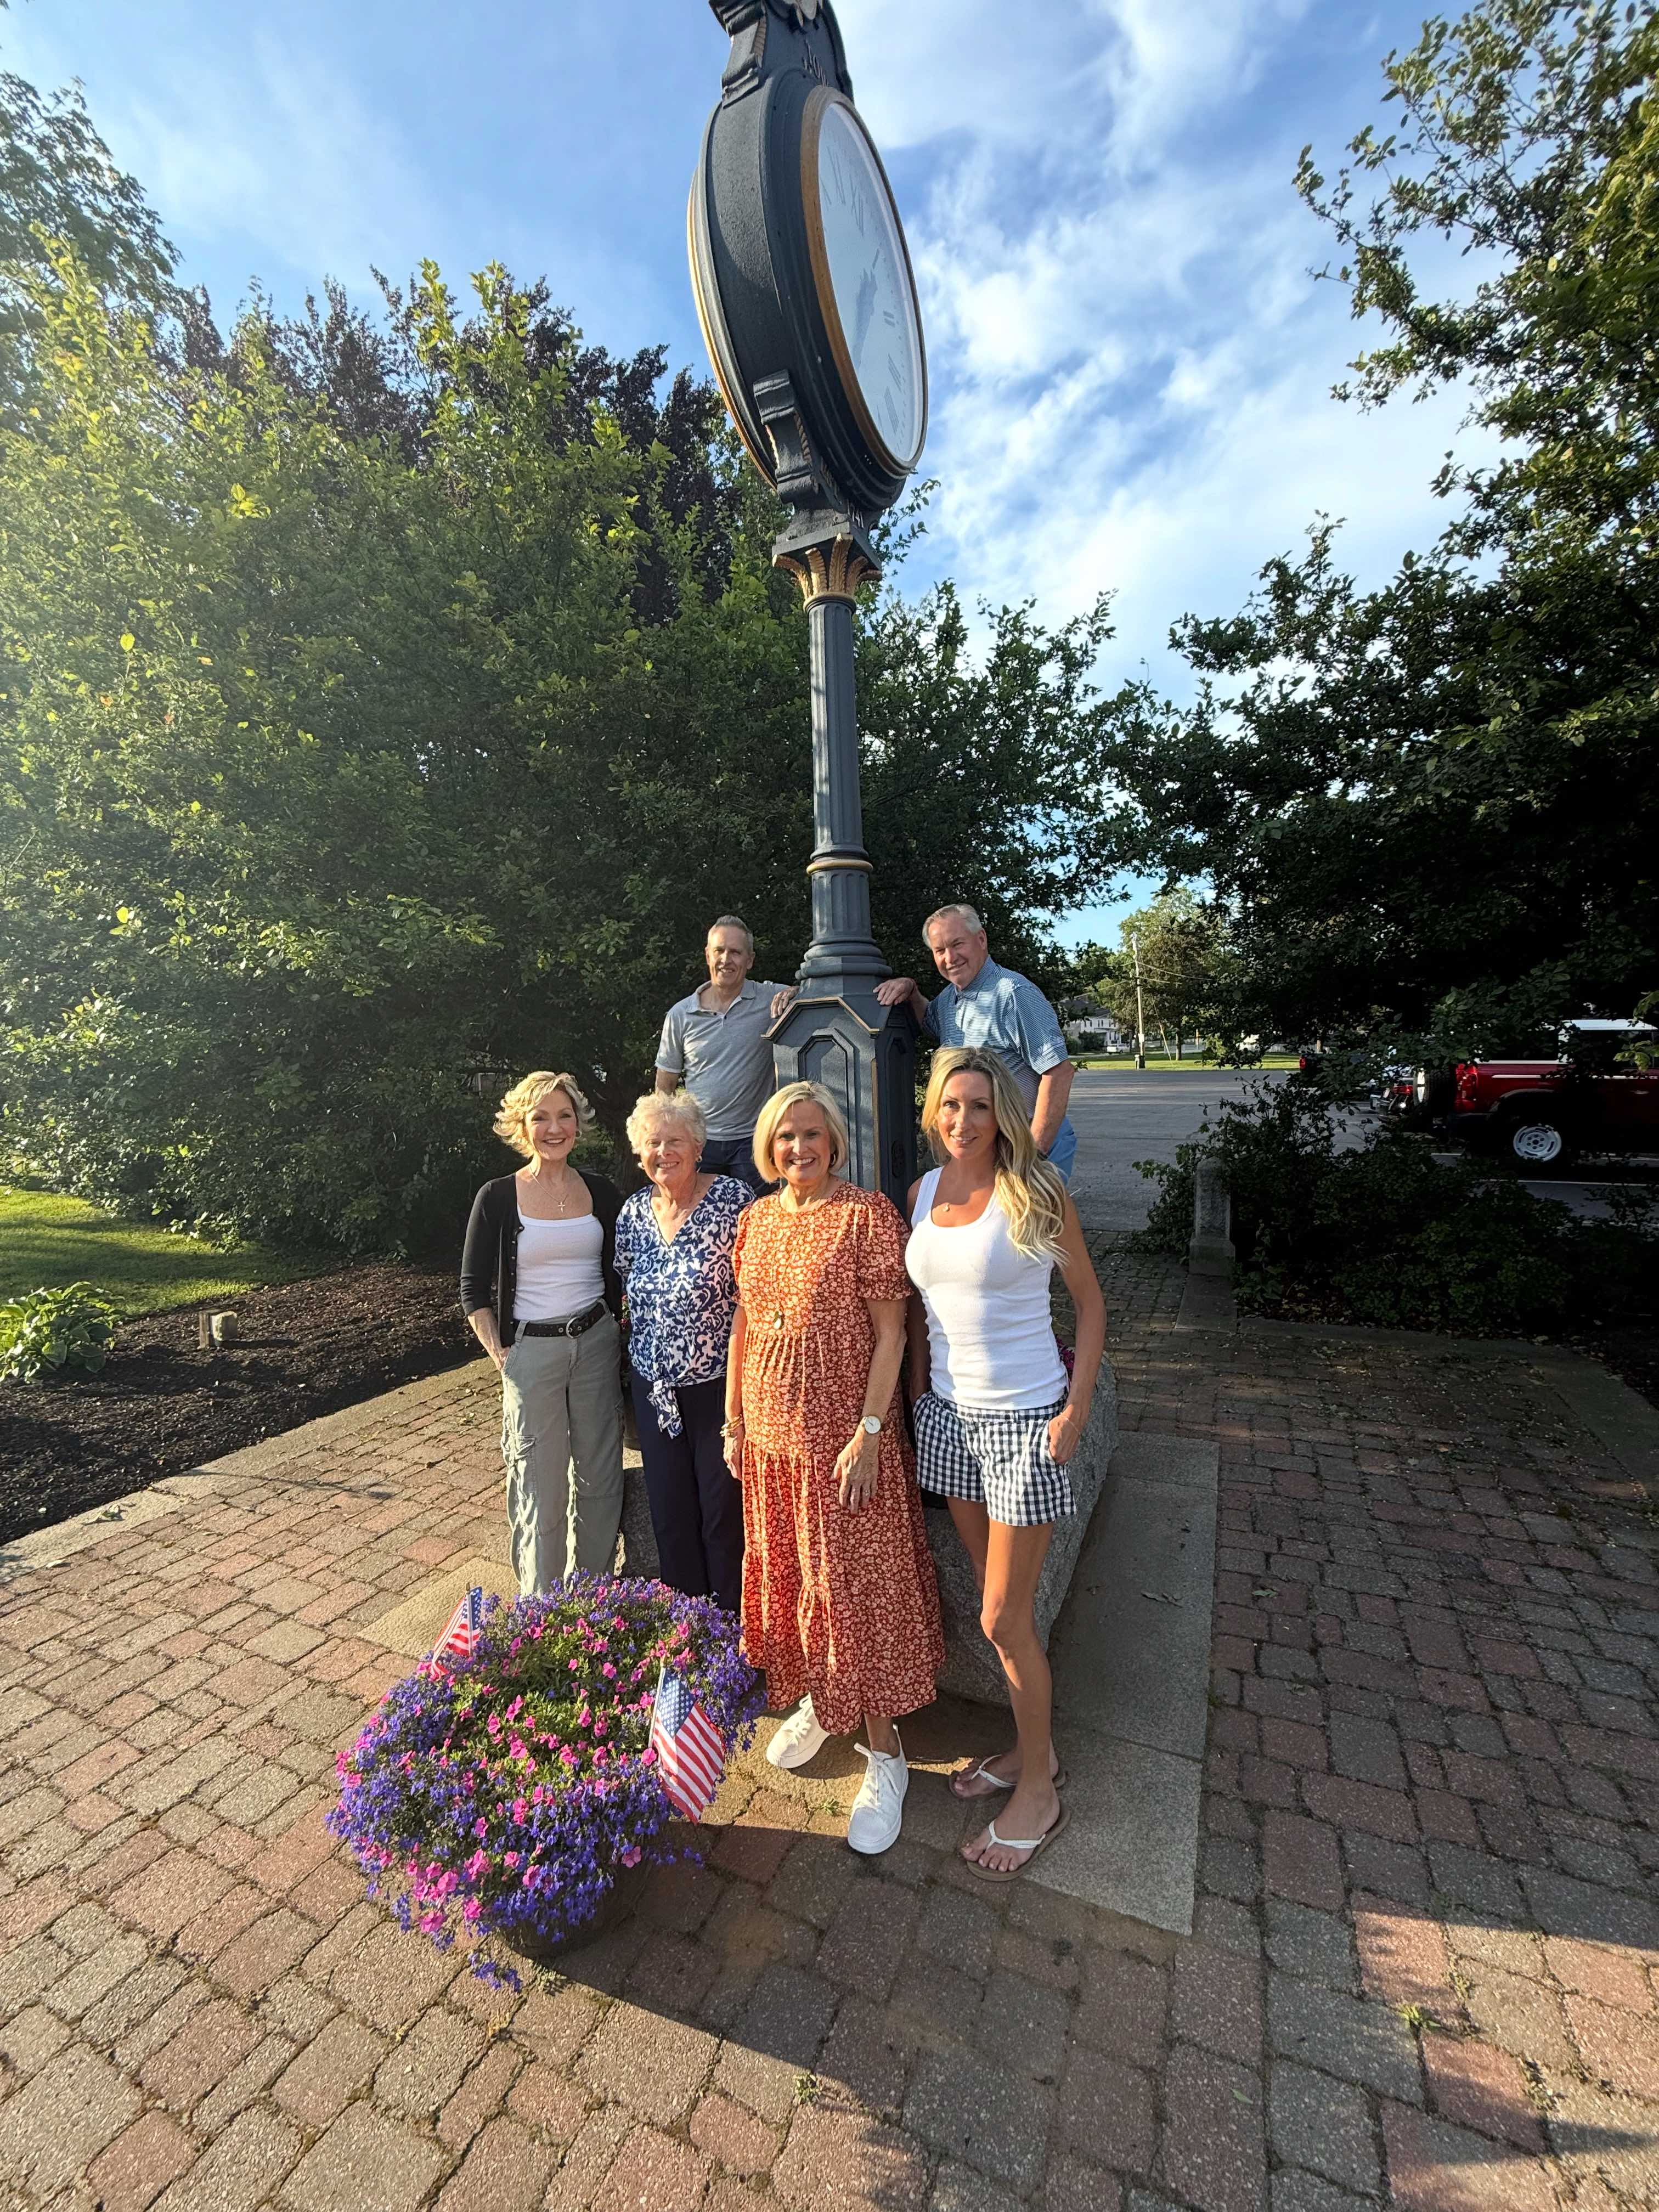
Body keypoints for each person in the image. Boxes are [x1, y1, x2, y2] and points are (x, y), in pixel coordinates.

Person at [723, 1080, 944, 1855]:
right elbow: (745, 1324)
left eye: (812, 1134)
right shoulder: (754, 1221)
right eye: (786, 1137)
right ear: (769, 1146)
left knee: (854, 1590)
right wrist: (735, 1420)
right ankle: (824, 1697)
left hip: (842, 1449)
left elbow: (892, 1334)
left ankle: (886, 1755)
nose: (799, 1148)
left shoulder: (866, 1216)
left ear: (834, 1141)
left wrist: (871, 1431)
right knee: (797, 1579)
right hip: (773, 1445)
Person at [905, 1046, 1108, 1881]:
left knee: (1001, 1620)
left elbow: (1090, 1305)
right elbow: (924, 1313)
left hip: (1023, 1424)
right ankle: (1035, 1753)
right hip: (950, 1420)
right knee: (1007, 1617)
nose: (963, 1121)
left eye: (980, 1107)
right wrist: (919, 1400)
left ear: (1005, 1116)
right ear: (934, 1110)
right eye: (951, 1106)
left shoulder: (1035, 1190)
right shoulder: (922, 1191)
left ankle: (1041, 1794)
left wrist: (1077, 1407)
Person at [460, 1071, 625, 1596]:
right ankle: (543, 1612)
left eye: (564, 1116)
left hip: (597, 1343)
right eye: (541, 1118)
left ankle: (595, 1606)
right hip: (532, 1353)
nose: (554, 1128)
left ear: (578, 1124)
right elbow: (472, 1289)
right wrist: (503, 1356)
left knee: (601, 1482)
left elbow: (621, 1270)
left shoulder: (601, 1191)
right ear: (522, 1126)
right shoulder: (498, 1196)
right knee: (541, 1487)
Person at [613, 1088, 750, 1612]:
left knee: (722, 1512)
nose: (663, 1152)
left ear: (698, 1147)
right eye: (653, 1142)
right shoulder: (631, 1214)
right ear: (639, 1152)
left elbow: (751, 1297)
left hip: (719, 1384)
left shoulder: (732, 1201)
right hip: (655, 1389)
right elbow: (628, 1294)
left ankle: (732, 1630)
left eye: (675, 1141)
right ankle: (686, 1630)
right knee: (670, 1513)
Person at [875, 904, 1079, 1182]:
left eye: (957, 944)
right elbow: (928, 1023)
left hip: (1026, 1145)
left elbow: (1058, 1072)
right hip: (984, 1147)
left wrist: (1033, 1154)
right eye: (940, 950)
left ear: (981, 939)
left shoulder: (1014, 994)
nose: (950, 957)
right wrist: (911, 990)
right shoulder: (949, 999)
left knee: (1031, 1226)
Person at [656, 916, 796, 1194]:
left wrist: (798, 992)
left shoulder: (771, 999)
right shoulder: (680, 1015)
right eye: (719, 951)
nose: (726, 959)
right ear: (708, 955)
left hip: (753, 1141)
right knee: (699, 1221)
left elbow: (818, 995)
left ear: (750, 960)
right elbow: (665, 1085)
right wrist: (667, 1138)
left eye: (735, 952)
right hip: (699, 1143)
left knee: (758, 1219)